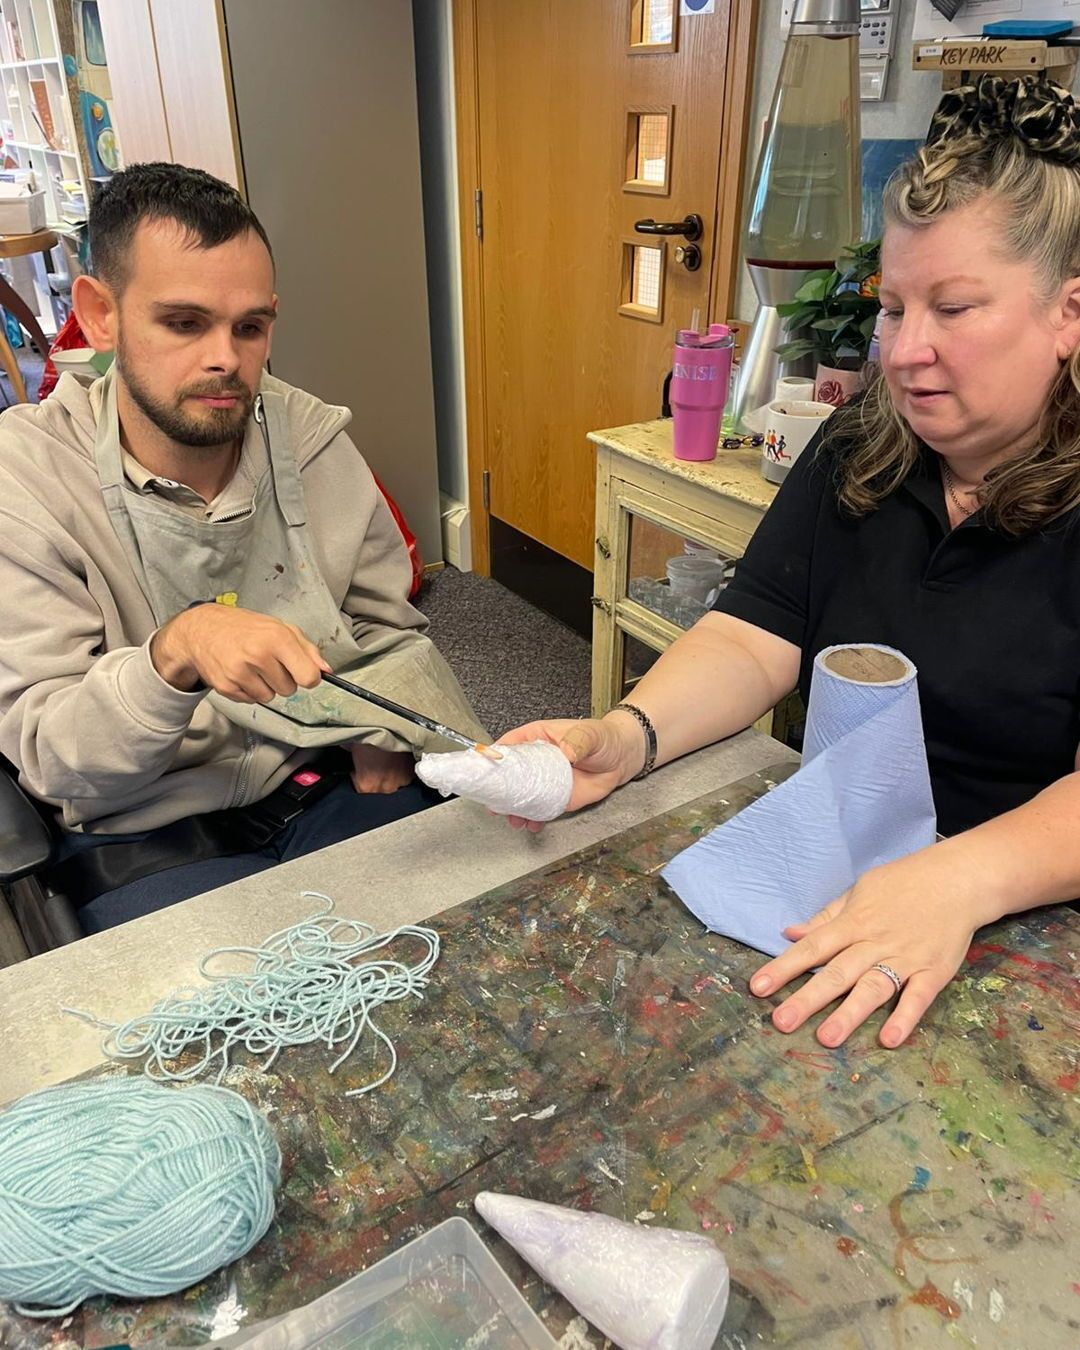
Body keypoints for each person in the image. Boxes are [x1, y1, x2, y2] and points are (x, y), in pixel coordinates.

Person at [501, 76, 1080, 1050]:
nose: (905, 352)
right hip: (830, 855)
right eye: (893, 308)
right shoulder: (862, 444)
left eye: (953, 308)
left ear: (1069, 313)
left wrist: (957, 880)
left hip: (1016, 905)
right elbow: (754, 632)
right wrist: (630, 736)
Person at [0, 162, 486, 933]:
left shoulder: (312, 441)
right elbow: (57, 758)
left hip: (318, 772)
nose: (225, 359)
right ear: (99, 315)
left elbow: (384, 625)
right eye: (184, 323)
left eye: (249, 327)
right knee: (258, 1003)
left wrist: (385, 727)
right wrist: (174, 654)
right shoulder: (24, 478)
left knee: (474, 930)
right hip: (142, 827)